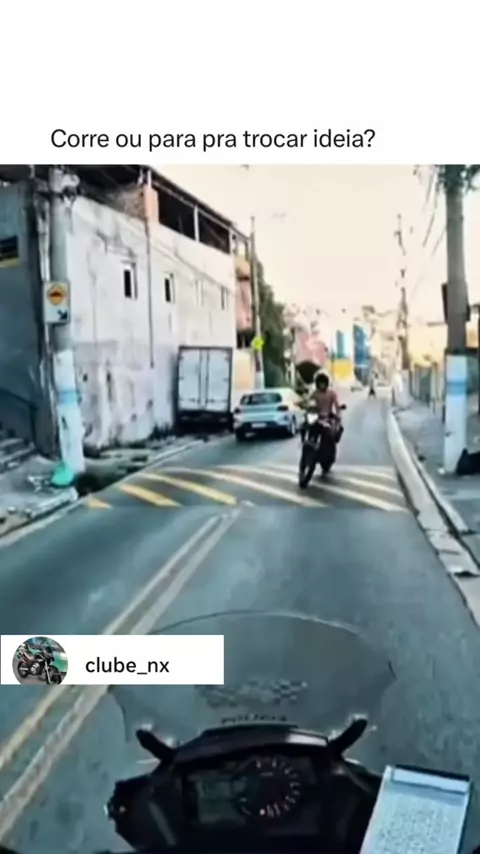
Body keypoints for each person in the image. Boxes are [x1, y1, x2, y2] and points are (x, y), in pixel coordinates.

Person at [301, 370, 344, 442]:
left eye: (323, 383)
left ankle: (332, 443)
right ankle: (304, 441)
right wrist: (307, 408)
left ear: (326, 383)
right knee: (304, 426)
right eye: (320, 383)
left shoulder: (331, 393)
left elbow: (336, 405)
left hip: (328, 416)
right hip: (316, 416)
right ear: (317, 383)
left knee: (335, 430)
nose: (322, 385)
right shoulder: (315, 394)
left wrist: (338, 413)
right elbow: (310, 404)